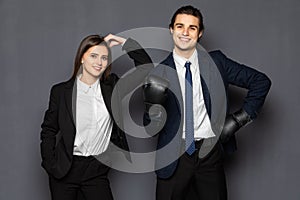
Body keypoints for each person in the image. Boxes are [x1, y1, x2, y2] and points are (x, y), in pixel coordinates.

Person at [143, 5, 271, 200]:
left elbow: (260, 81)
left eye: (192, 28)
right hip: (174, 157)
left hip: (209, 154)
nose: (185, 32)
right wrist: (153, 106)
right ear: (171, 30)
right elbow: (150, 128)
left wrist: (239, 119)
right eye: (180, 26)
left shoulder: (217, 62)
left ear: (200, 33)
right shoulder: (158, 73)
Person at [40, 34, 152, 200]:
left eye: (104, 58)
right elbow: (49, 130)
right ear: (82, 58)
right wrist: (50, 164)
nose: (99, 62)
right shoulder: (61, 92)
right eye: (93, 56)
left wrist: (124, 42)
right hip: (65, 170)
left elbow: (146, 68)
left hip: (96, 170)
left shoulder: (113, 88)